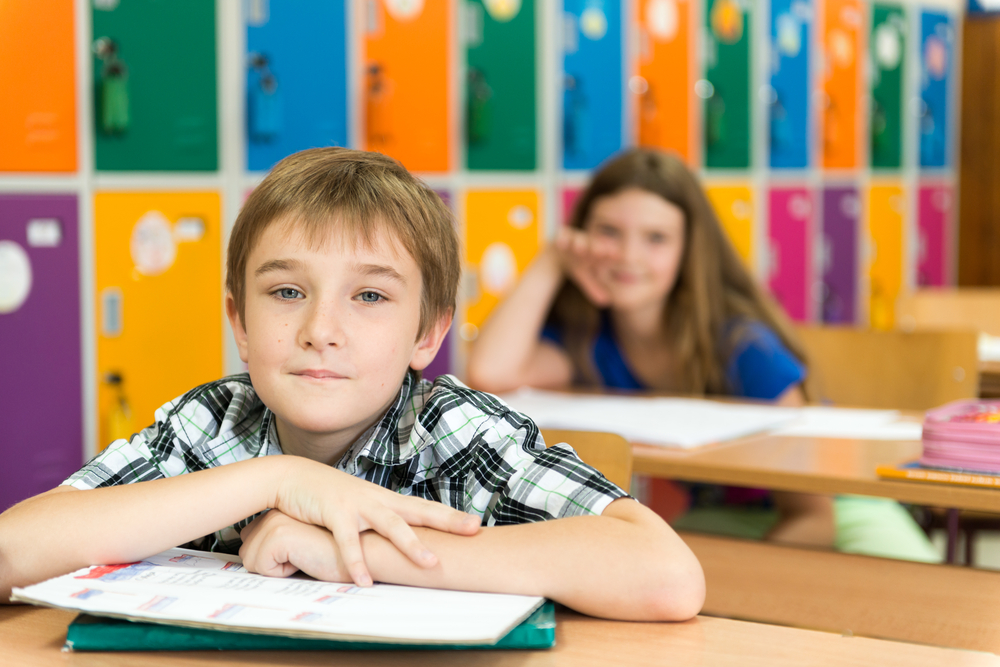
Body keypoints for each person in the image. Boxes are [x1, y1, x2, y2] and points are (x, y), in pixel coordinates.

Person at [0, 148, 704, 621]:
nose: (320, 329)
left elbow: (666, 574)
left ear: (427, 333)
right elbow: (12, 551)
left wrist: (353, 552)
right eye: (285, 291)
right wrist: (270, 480)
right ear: (238, 321)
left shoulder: (453, 432)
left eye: (369, 297)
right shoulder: (211, 426)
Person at [467, 147, 940, 562]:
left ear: (689, 250)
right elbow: (490, 372)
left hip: (840, 509)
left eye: (656, 238)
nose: (628, 255)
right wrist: (552, 259)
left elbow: (814, 519)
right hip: (725, 514)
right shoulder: (592, 339)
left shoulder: (742, 346)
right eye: (608, 232)